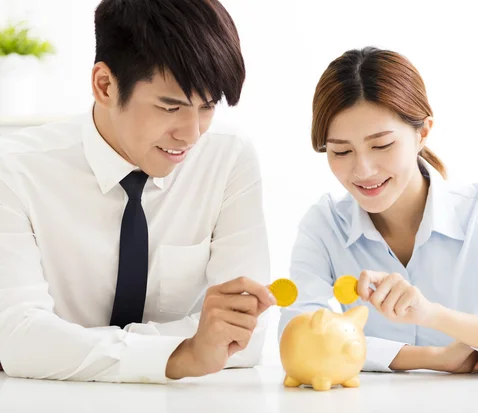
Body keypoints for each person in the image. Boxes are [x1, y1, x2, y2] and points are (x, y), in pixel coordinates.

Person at [0, 0, 276, 383]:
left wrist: (69, 347)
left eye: (208, 106)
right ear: (105, 85)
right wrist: (183, 354)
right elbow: (16, 340)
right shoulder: (15, 172)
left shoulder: (228, 158)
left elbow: (248, 334)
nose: (192, 134)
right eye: (170, 107)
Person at [279, 47, 478, 375]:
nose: (362, 170)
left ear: (422, 132)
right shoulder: (324, 226)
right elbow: (297, 338)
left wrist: (432, 314)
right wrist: (433, 358)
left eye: (381, 145)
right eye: (341, 151)